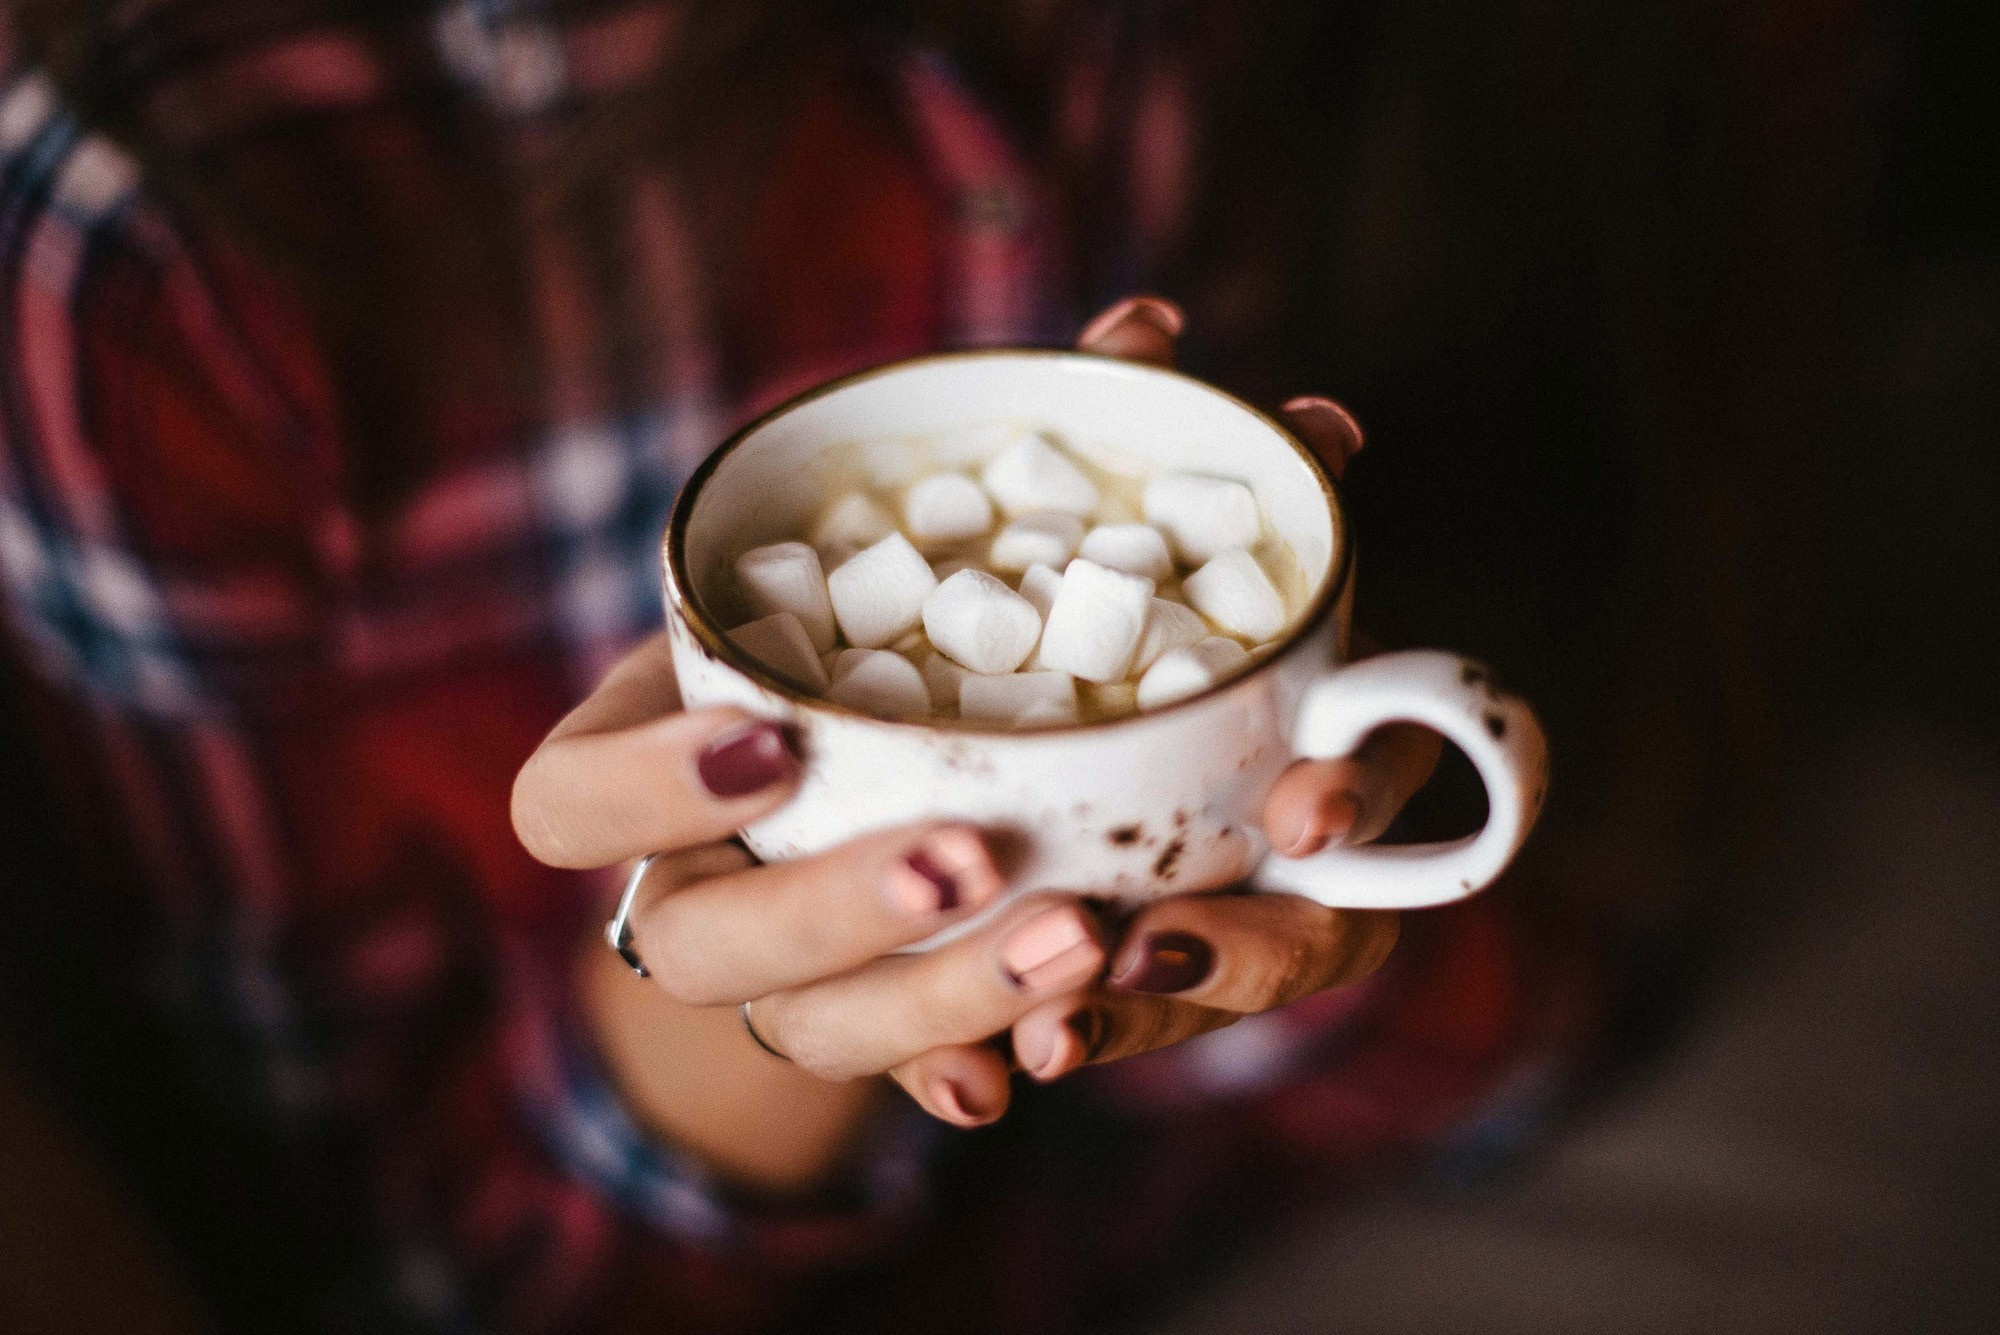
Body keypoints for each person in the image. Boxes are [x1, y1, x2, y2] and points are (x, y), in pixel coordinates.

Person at [0, 3, 1593, 1330]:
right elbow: (379, 1271)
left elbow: (1472, 1044)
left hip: (1239, 1173)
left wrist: (1265, 828)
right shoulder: (155, 245)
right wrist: (740, 984)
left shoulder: (1136, 49)